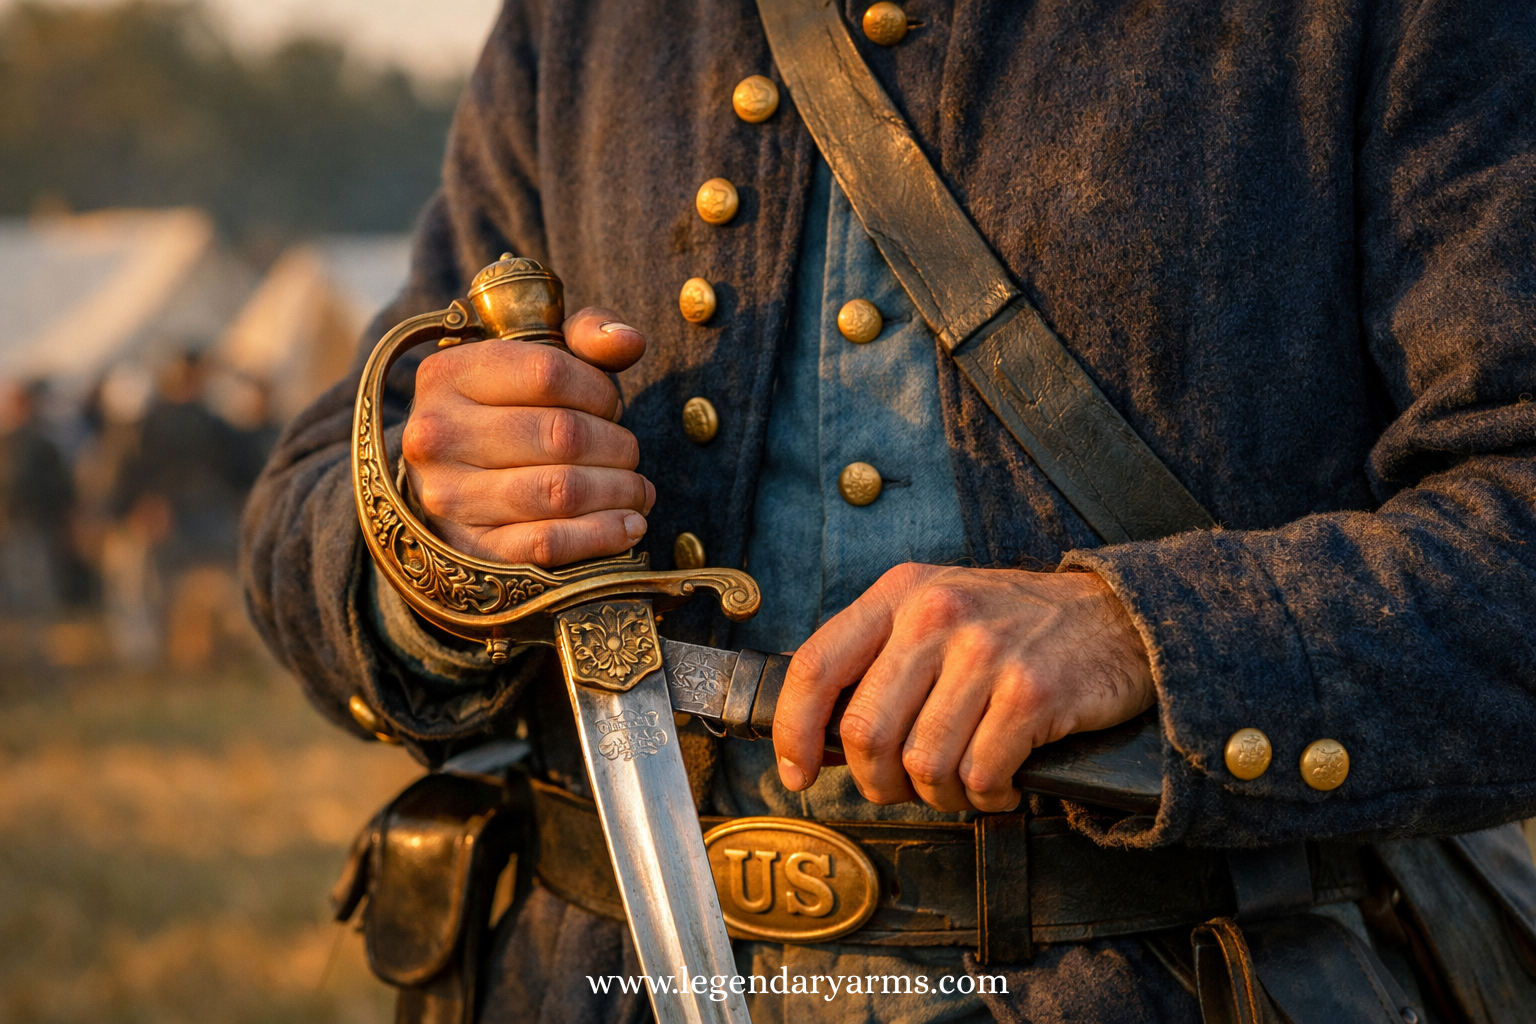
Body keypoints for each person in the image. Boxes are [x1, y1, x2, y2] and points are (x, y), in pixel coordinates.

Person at [242, 2, 1536, 1022]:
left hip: (1192, 975)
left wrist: (1147, 635)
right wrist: (436, 524)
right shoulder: (584, 17)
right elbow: (312, 512)